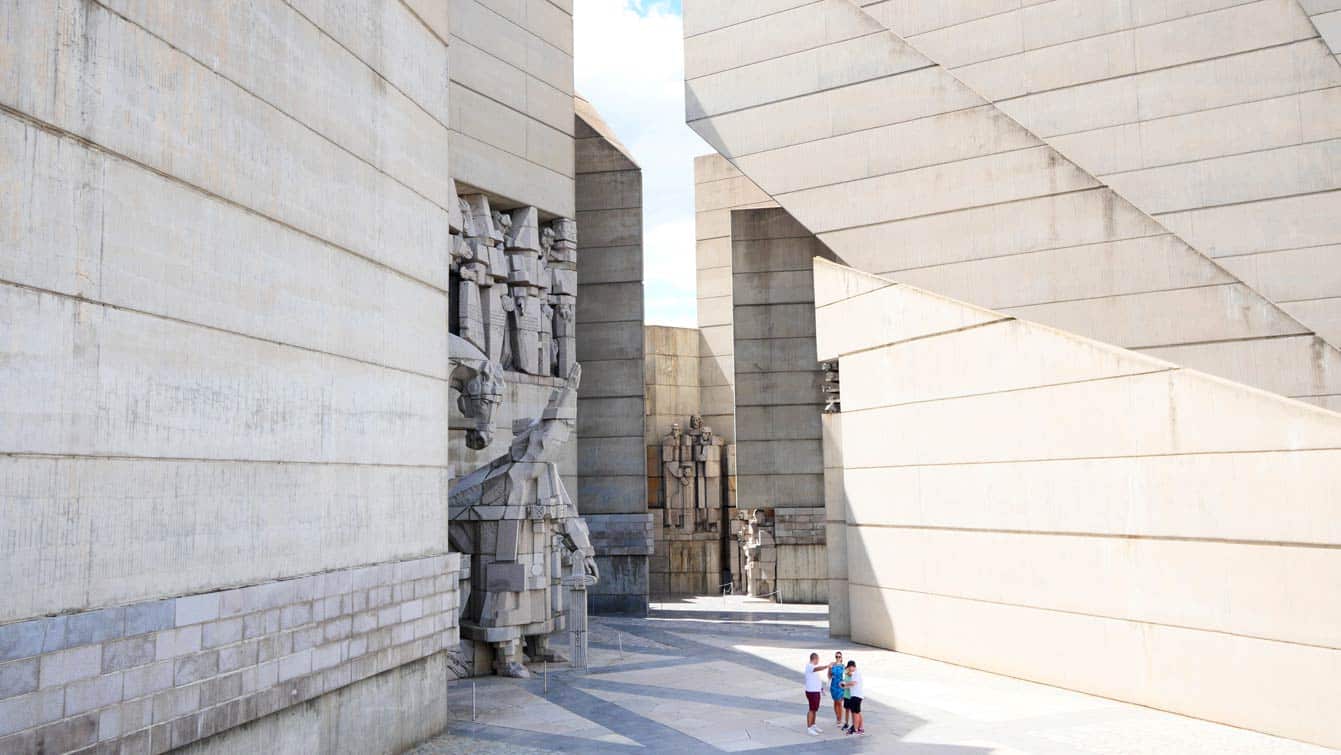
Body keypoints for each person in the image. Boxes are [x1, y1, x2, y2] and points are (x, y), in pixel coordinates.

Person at [802, 652, 827, 735]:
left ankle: (813, 725)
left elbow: (816, 680)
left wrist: (821, 689)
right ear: (815, 659)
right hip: (811, 692)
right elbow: (817, 669)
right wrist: (826, 666)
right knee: (812, 709)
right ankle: (809, 728)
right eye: (818, 659)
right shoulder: (809, 666)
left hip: (816, 691)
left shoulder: (813, 668)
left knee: (815, 709)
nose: (818, 661)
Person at [841, 660, 864, 735]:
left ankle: (856, 729)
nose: (850, 669)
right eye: (849, 668)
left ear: (853, 667)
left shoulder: (857, 673)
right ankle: (860, 728)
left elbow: (854, 683)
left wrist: (845, 684)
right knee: (857, 712)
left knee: (856, 713)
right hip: (854, 695)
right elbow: (851, 684)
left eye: (850, 667)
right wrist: (844, 686)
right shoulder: (854, 674)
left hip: (856, 696)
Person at [827, 651, 847, 730]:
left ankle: (840, 719)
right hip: (833, 685)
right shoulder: (832, 665)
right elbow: (829, 676)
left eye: (839, 656)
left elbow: (846, 676)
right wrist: (829, 669)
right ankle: (837, 717)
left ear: (841, 658)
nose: (838, 658)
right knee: (835, 702)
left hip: (840, 686)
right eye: (836, 656)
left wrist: (846, 685)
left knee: (839, 702)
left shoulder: (843, 666)